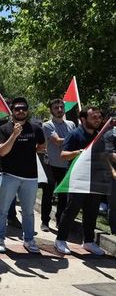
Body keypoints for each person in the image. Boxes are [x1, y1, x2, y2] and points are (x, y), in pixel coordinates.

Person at [0, 97, 45, 254]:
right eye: (17, 108)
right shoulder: (4, 129)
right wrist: (15, 135)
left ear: (27, 110)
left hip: (30, 177)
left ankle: (29, 239)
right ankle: (0, 238)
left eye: (23, 108)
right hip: (10, 175)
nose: (21, 111)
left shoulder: (36, 129)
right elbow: (2, 151)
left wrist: (30, 151)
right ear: (12, 111)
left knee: (28, 211)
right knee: (2, 210)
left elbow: (42, 146)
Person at [55, 106, 106, 255]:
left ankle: (89, 242)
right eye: (93, 117)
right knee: (72, 210)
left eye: (99, 117)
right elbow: (63, 155)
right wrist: (78, 153)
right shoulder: (74, 134)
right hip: (78, 179)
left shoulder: (100, 136)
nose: (97, 120)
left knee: (92, 211)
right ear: (83, 119)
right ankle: (61, 240)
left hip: (95, 179)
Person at [41, 98, 76, 231]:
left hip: (67, 165)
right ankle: (45, 222)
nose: (59, 110)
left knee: (63, 196)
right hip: (51, 165)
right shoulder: (47, 125)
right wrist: (73, 138)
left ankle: (60, 220)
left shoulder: (71, 124)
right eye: (56, 107)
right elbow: (57, 141)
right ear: (51, 110)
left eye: (61, 107)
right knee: (48, 195)